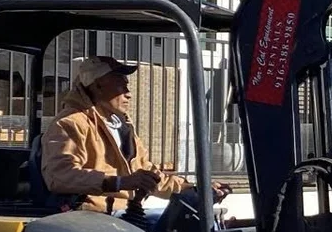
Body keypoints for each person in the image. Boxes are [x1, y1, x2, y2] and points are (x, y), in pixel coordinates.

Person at [40, 56, 226, 215]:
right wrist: (119, 182)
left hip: (126, 211)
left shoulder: (120, 125)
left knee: (198, 221)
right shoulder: (70, 123)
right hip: (92, 214)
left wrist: (193, 190)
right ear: (97, 86)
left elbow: (147, 173)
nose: (128, 94)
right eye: (121, 86)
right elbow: (60, 175)